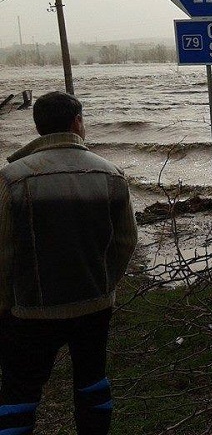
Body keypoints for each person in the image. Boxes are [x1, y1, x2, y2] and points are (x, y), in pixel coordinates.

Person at [0, 91, 138, 435]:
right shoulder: (112, 174)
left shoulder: (11, 179)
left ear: (38, 127)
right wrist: (104, 284)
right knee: (92, 380)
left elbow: (3, 251)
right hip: (94, 305)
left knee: (20, 390)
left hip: (30, 310)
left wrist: (6, 304)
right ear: (78, 123)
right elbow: (125, 242)